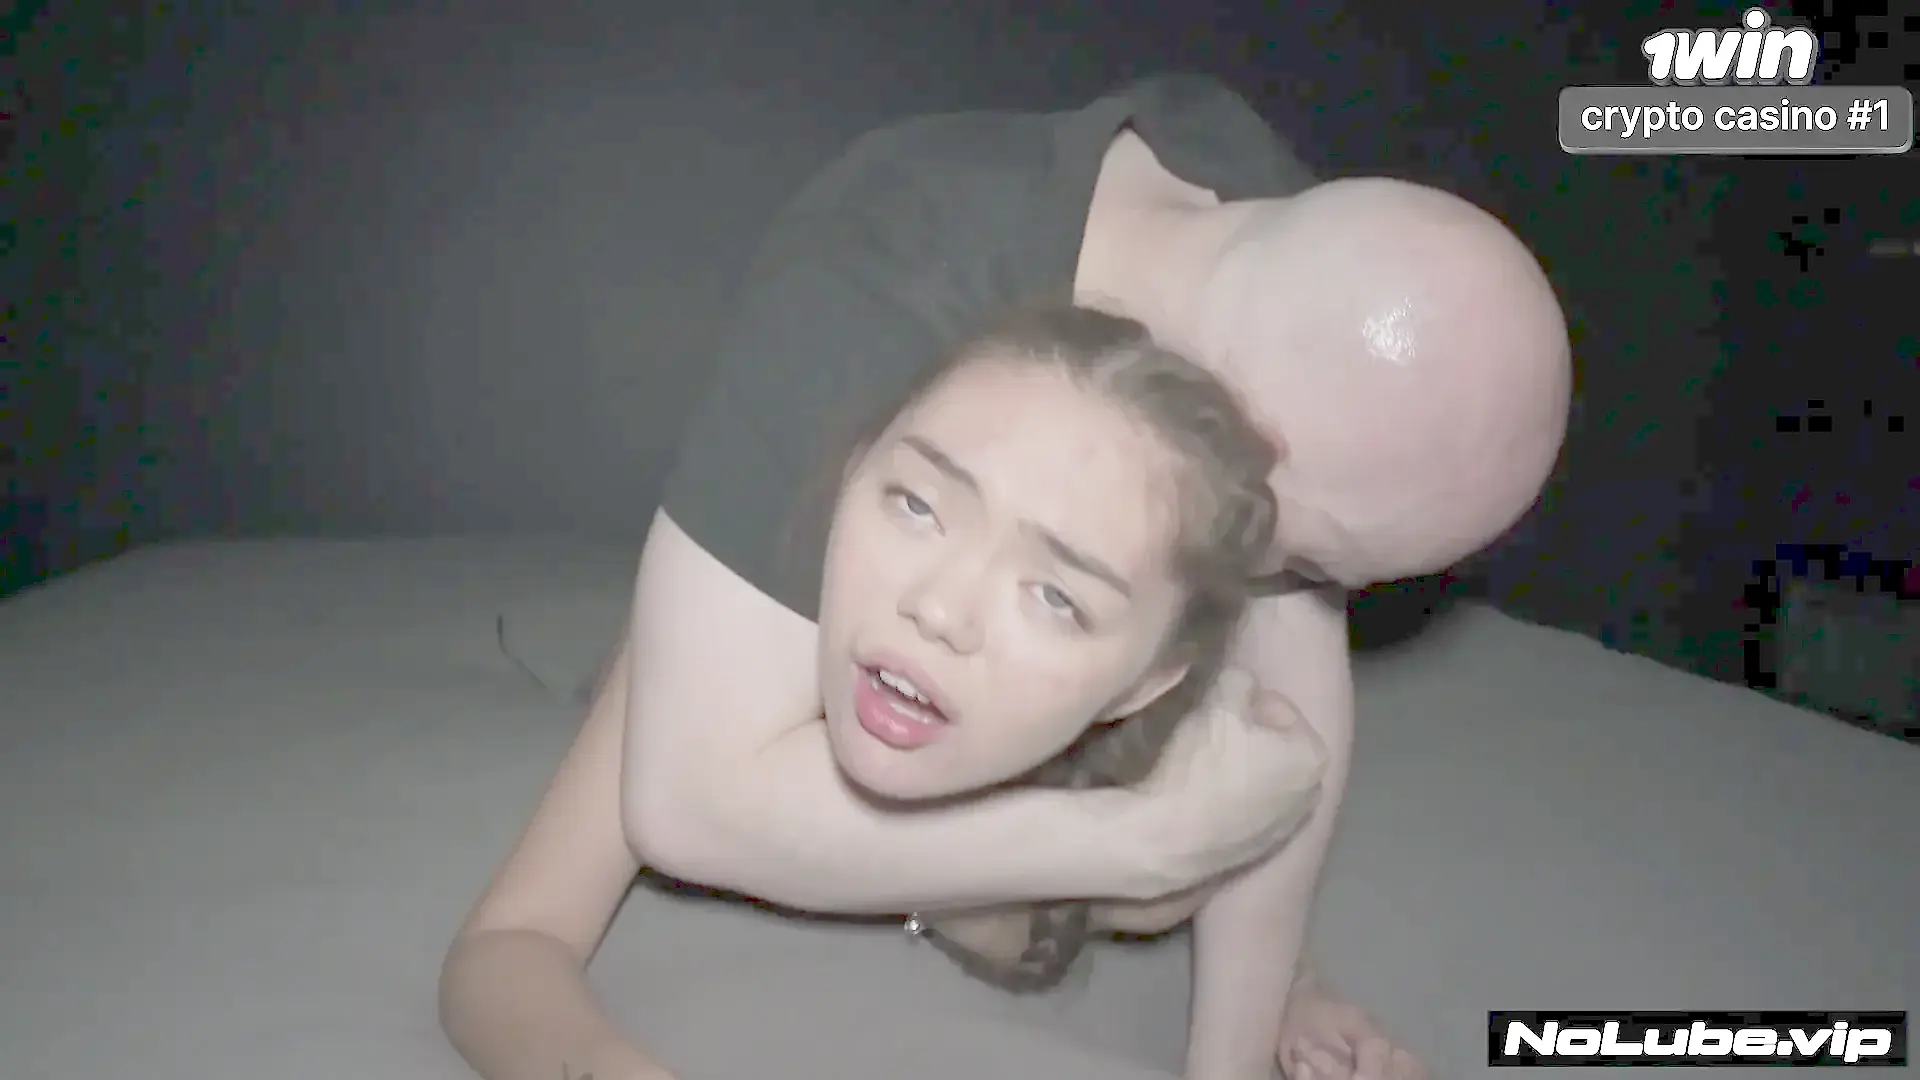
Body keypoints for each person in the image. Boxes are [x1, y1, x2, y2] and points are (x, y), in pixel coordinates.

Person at [442, 74, 1571, 1080]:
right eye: (919, 501)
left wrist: (1255, 1015)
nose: (944, 606)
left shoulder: (1275, 259)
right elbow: (650, 831)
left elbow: (1287, 715)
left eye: (1059, 592)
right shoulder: (873, 304)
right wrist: (1146, 841)